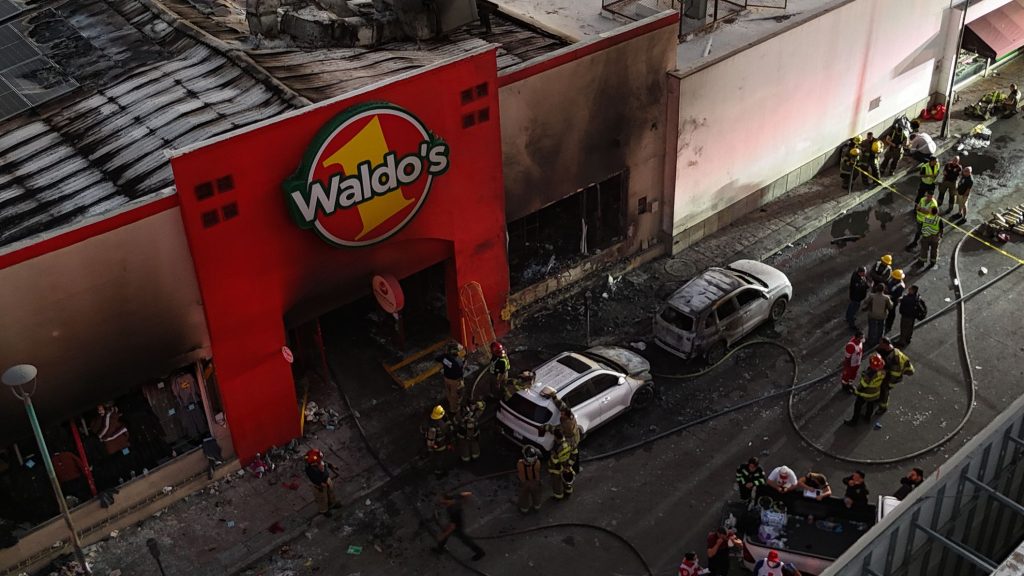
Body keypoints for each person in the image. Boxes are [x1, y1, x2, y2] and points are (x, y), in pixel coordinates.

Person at [433, 492, 485, 561]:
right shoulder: (455, 497)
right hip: (456, 521)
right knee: (448, 533)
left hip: (457, 524)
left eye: (442, 503)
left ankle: (480, 552)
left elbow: (452, 527)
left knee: (463, 538)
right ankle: (440, 548)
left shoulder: (453, 510)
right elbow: (466, 494)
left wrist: (442, 536)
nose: (441, 504)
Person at [876, 337, 915, 415]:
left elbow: (895, 374)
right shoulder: (885, 350)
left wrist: (889, 384)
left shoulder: (895, 358)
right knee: (880, 386)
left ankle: (883, 407)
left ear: (886, 345)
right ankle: (879, 397)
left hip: (893, 376)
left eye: (881, 344)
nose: (879, 345)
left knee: (885, 390)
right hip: (888, 372)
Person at [845, 353, 885, 426]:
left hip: (865, 394)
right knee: (870, 405)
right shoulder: (882, 371)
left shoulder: (869, 375)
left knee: (857, 406)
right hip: (875, 393)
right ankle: (867, 418)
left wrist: (856, 392)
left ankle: (854, 421)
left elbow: (863, 385)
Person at [304, 449, 338, 516]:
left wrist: (331, 465)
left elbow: (325, 463)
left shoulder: (319, 462)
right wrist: (320, 482)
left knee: (331, 492)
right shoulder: (310, 469)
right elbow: (313, 478)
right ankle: (324, 510)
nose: (320, 461)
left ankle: (333, 504)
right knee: (322, 498)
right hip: (319, 486)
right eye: (318, 461)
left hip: (327, 480)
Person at [424, 405, 452, 477]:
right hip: (439, 446)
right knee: (439, 459)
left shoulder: (434, 422)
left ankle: (439, 469)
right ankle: (439, 473)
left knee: (440, 459)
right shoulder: (434, 428)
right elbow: (431, 441)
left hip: (441, 444)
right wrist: (431, 448)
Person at [861, 283, 892, 350]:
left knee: (872, 328)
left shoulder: (872, 296)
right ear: (883, 289)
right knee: (881, 328)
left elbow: (865, 302)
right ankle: (879, 340)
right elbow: (890, 306)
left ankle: (871, 341)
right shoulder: (886, 298)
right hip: (882, 316)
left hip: (872, 315)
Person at [437, 343, 466, 410]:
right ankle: (454, 408)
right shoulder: (458, 361)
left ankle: (449, 401)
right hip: (454, 380)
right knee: (454, 394)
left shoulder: (444, 357)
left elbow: (438, 359)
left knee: (448, 391)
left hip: (446, 377)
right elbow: (460, 372)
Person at [548, 428, 573, 501]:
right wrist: (569, 464)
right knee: (567, 478)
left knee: (557, 483)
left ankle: (558, 496)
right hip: (567, 464)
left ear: (556, 437)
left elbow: (554, 460)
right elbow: (574, 452)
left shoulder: (557, 448)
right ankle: (568, 490)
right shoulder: (568, 442)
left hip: (557, 468)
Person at [516, 445, 543, 513]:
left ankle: (525, 509)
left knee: (524, 496)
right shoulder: (537, 463)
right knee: (536, 494)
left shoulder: (520, 464)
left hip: (524, 483)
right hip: (535, 482)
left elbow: (520, 473)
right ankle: (537, 506)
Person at [847, 266, 870, 331]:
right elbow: (860, 288)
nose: (865, 274)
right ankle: (851, 324)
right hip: (856, 297)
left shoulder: (859, 275)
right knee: (853, 309)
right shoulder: (856, 279)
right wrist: (867, 286)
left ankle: (848, 317)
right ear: (860, 273)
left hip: (857, 297)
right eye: (864, 273)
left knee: (851, 306)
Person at [885, 269, 905, 334]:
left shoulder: (901, 286)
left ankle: (888, 326)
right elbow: (887, 284)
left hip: (893, 300)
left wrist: (889, 295)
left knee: (891, 313)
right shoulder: (892, 280)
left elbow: (897, 296)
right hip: (887, 297)